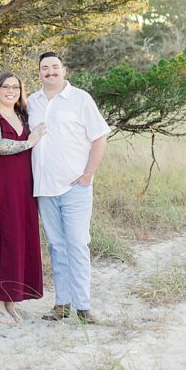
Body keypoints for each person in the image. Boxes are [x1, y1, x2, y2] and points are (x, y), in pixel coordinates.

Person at [27, 51, 110, 324]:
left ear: (63, 70)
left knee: (77, 244)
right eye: (44, 68)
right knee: (57, 247)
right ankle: (61, 304)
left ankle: (83, 307)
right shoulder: (32, 102)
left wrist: (87, 175)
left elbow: (99, 137)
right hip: (44, 188)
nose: (49, 72)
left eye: (54, 67)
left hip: (75, 187)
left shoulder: (80, 99)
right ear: (39, 73)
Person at [0, 71, 45, 325]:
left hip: (22, 188)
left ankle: (10, 298)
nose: (10, 91)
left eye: (15, 87)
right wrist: (29, 142)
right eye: (6, 86)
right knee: (0, 238)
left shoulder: (22, 116)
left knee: (17, 239)